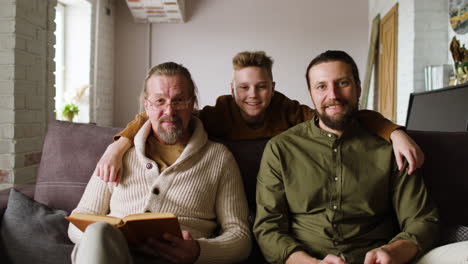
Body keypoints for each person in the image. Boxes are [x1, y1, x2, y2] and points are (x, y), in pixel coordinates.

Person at [96, 51, 424, 186]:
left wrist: (395, 132)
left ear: (273, 88)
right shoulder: (218, 114)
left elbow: (344, 115)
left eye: (261, 87)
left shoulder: (290, 111)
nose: (253, 95)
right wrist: (117, 146)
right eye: (244, 88)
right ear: (232, 89)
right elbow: (161, 116)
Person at [253, 50, 440, 264]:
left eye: (342, 83)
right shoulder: (280, 149)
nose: (333, 95)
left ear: (358, 87)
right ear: (311, 93)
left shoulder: (391, 149)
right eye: (321, 86)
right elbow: (268, 227)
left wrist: (394, 252)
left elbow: (423, 220)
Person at [68, 62, 251, 264]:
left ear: (192, 103)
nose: (169, 111)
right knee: (98, 230)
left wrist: (198, 250)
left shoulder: (219, 158)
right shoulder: (118, 156)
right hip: (115, 256)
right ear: (147, 106)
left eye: (178, 100)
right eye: (159, 101)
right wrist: (103, 240)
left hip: (177, 260)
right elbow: (79, 220)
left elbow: (240, 236)